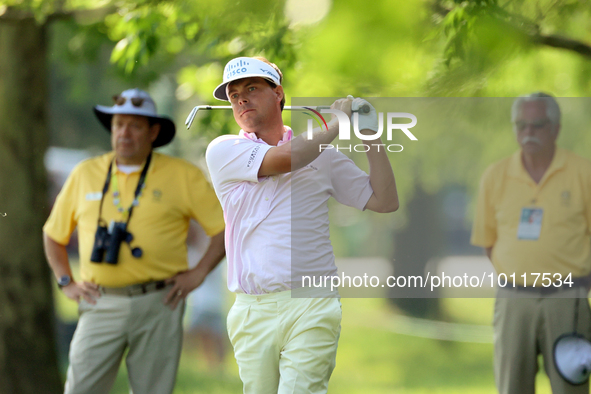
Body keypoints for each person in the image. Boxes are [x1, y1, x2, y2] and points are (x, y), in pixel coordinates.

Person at [205, 56, 399, 393]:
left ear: (278, 93)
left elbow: (384, 200)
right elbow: (285, 159)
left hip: (313, 302)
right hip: (252, 309)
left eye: (251, 88)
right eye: (234, 95)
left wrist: (371, 136)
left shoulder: (321, 154)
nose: (241, 100)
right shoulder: (224, 150)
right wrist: (336, 123)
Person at [43, 88, 226, 394]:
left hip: (160, 301)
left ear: (154, 131)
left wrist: (199, 273)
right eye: (118, 125)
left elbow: (223, 230)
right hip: (99, 301)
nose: (124, 133)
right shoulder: (85, 173)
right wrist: (66, 281)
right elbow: (53, 234)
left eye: (135, 125)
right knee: (80, 389)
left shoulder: (183, 175)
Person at [471, 93, 591, 394]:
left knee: (571, 388)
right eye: (521, 125)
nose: (528, 133)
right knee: (512, 387)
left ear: (556, 128)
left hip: (568, 298)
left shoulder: (583, 173)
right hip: (514, 301)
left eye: (537, 125)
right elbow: (488, 242)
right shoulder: (494, 176)